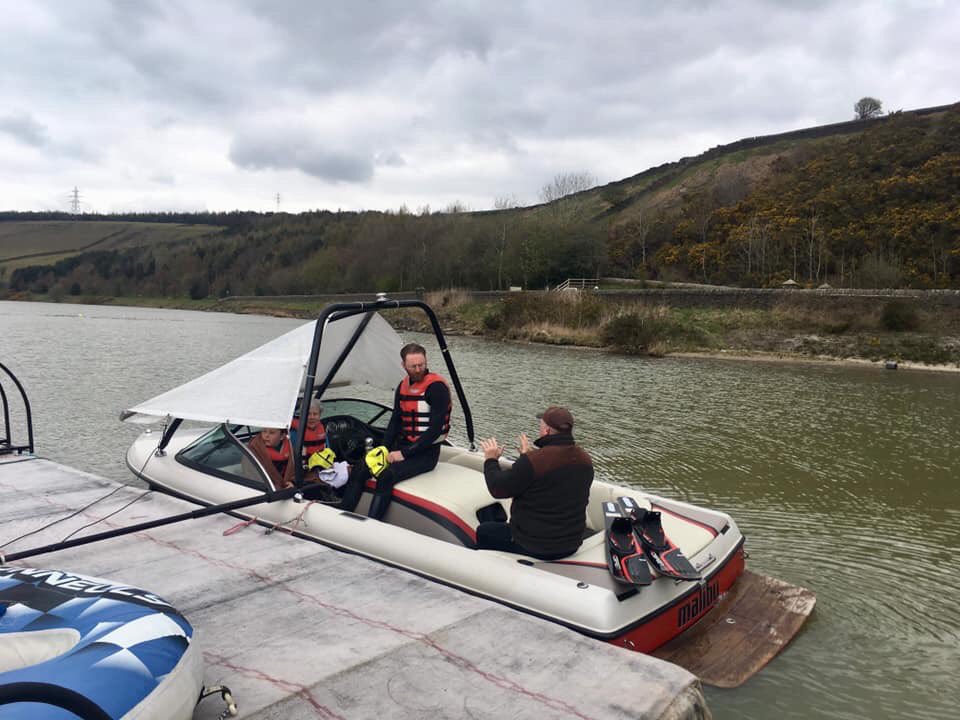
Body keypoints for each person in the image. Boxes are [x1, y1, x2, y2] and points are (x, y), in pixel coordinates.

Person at [477, 406, 593, 560]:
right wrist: (528, 457)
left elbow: (498, 489)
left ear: (546, 431)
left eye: (541, 425)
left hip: (534, 545)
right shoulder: (585, 459)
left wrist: (491, 459)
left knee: (483, 531)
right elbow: (553, 483)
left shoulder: (534, 462)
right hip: (571, 543)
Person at [368, 342, 452, 520]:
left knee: (386, 475)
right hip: (404, 445)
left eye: (421, 364)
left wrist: (404, 453)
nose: (418, 369)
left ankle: (373, 522)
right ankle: (344, 508)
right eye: (413, 366)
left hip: (426, 453)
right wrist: (383, 448)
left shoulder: (437, 388)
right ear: (403, 365)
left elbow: (435, 430)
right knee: (363, 467)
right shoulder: (402, 385)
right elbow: (395, 420)